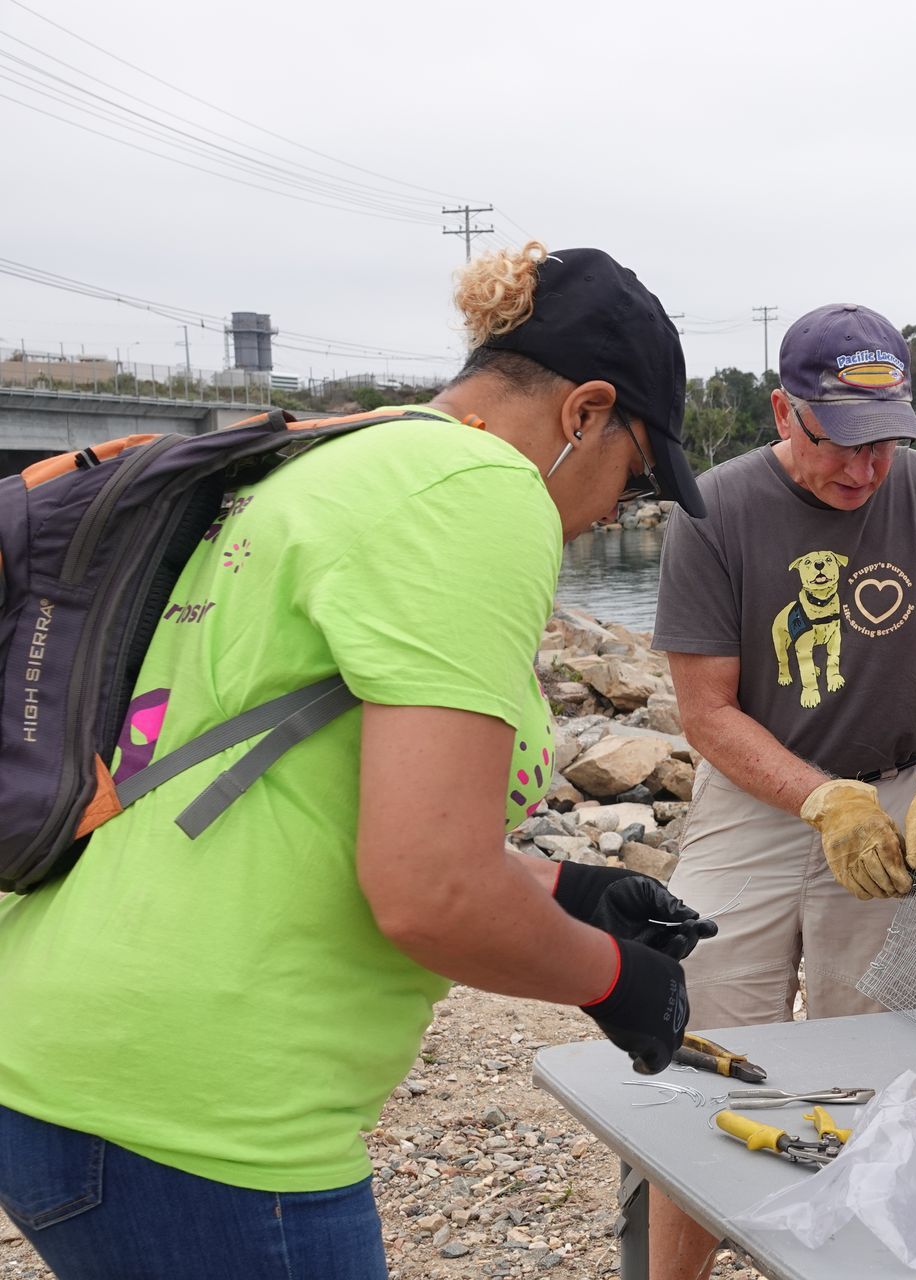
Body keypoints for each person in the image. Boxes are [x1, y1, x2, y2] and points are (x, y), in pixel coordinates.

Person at [0, 242, 714, 1279]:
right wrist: (613, 981)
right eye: (636, 469)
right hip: (204, 1107)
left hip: (66, 1045)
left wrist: (566, 885)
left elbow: (290, 791)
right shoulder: (477, 488)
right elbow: (430, 893)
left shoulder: (323, 459)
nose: (617, 507)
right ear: (585, 412)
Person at [649, 302, 916, 1278]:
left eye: (884, 445)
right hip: (754, 802)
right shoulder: (714, 509)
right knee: (701, 1060)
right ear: (784, 412)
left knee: (891, 1068)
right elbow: (706, 711)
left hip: (902, 786)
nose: (863, 469)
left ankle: (881, 1262)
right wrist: (820, 798)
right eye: (839, 444)